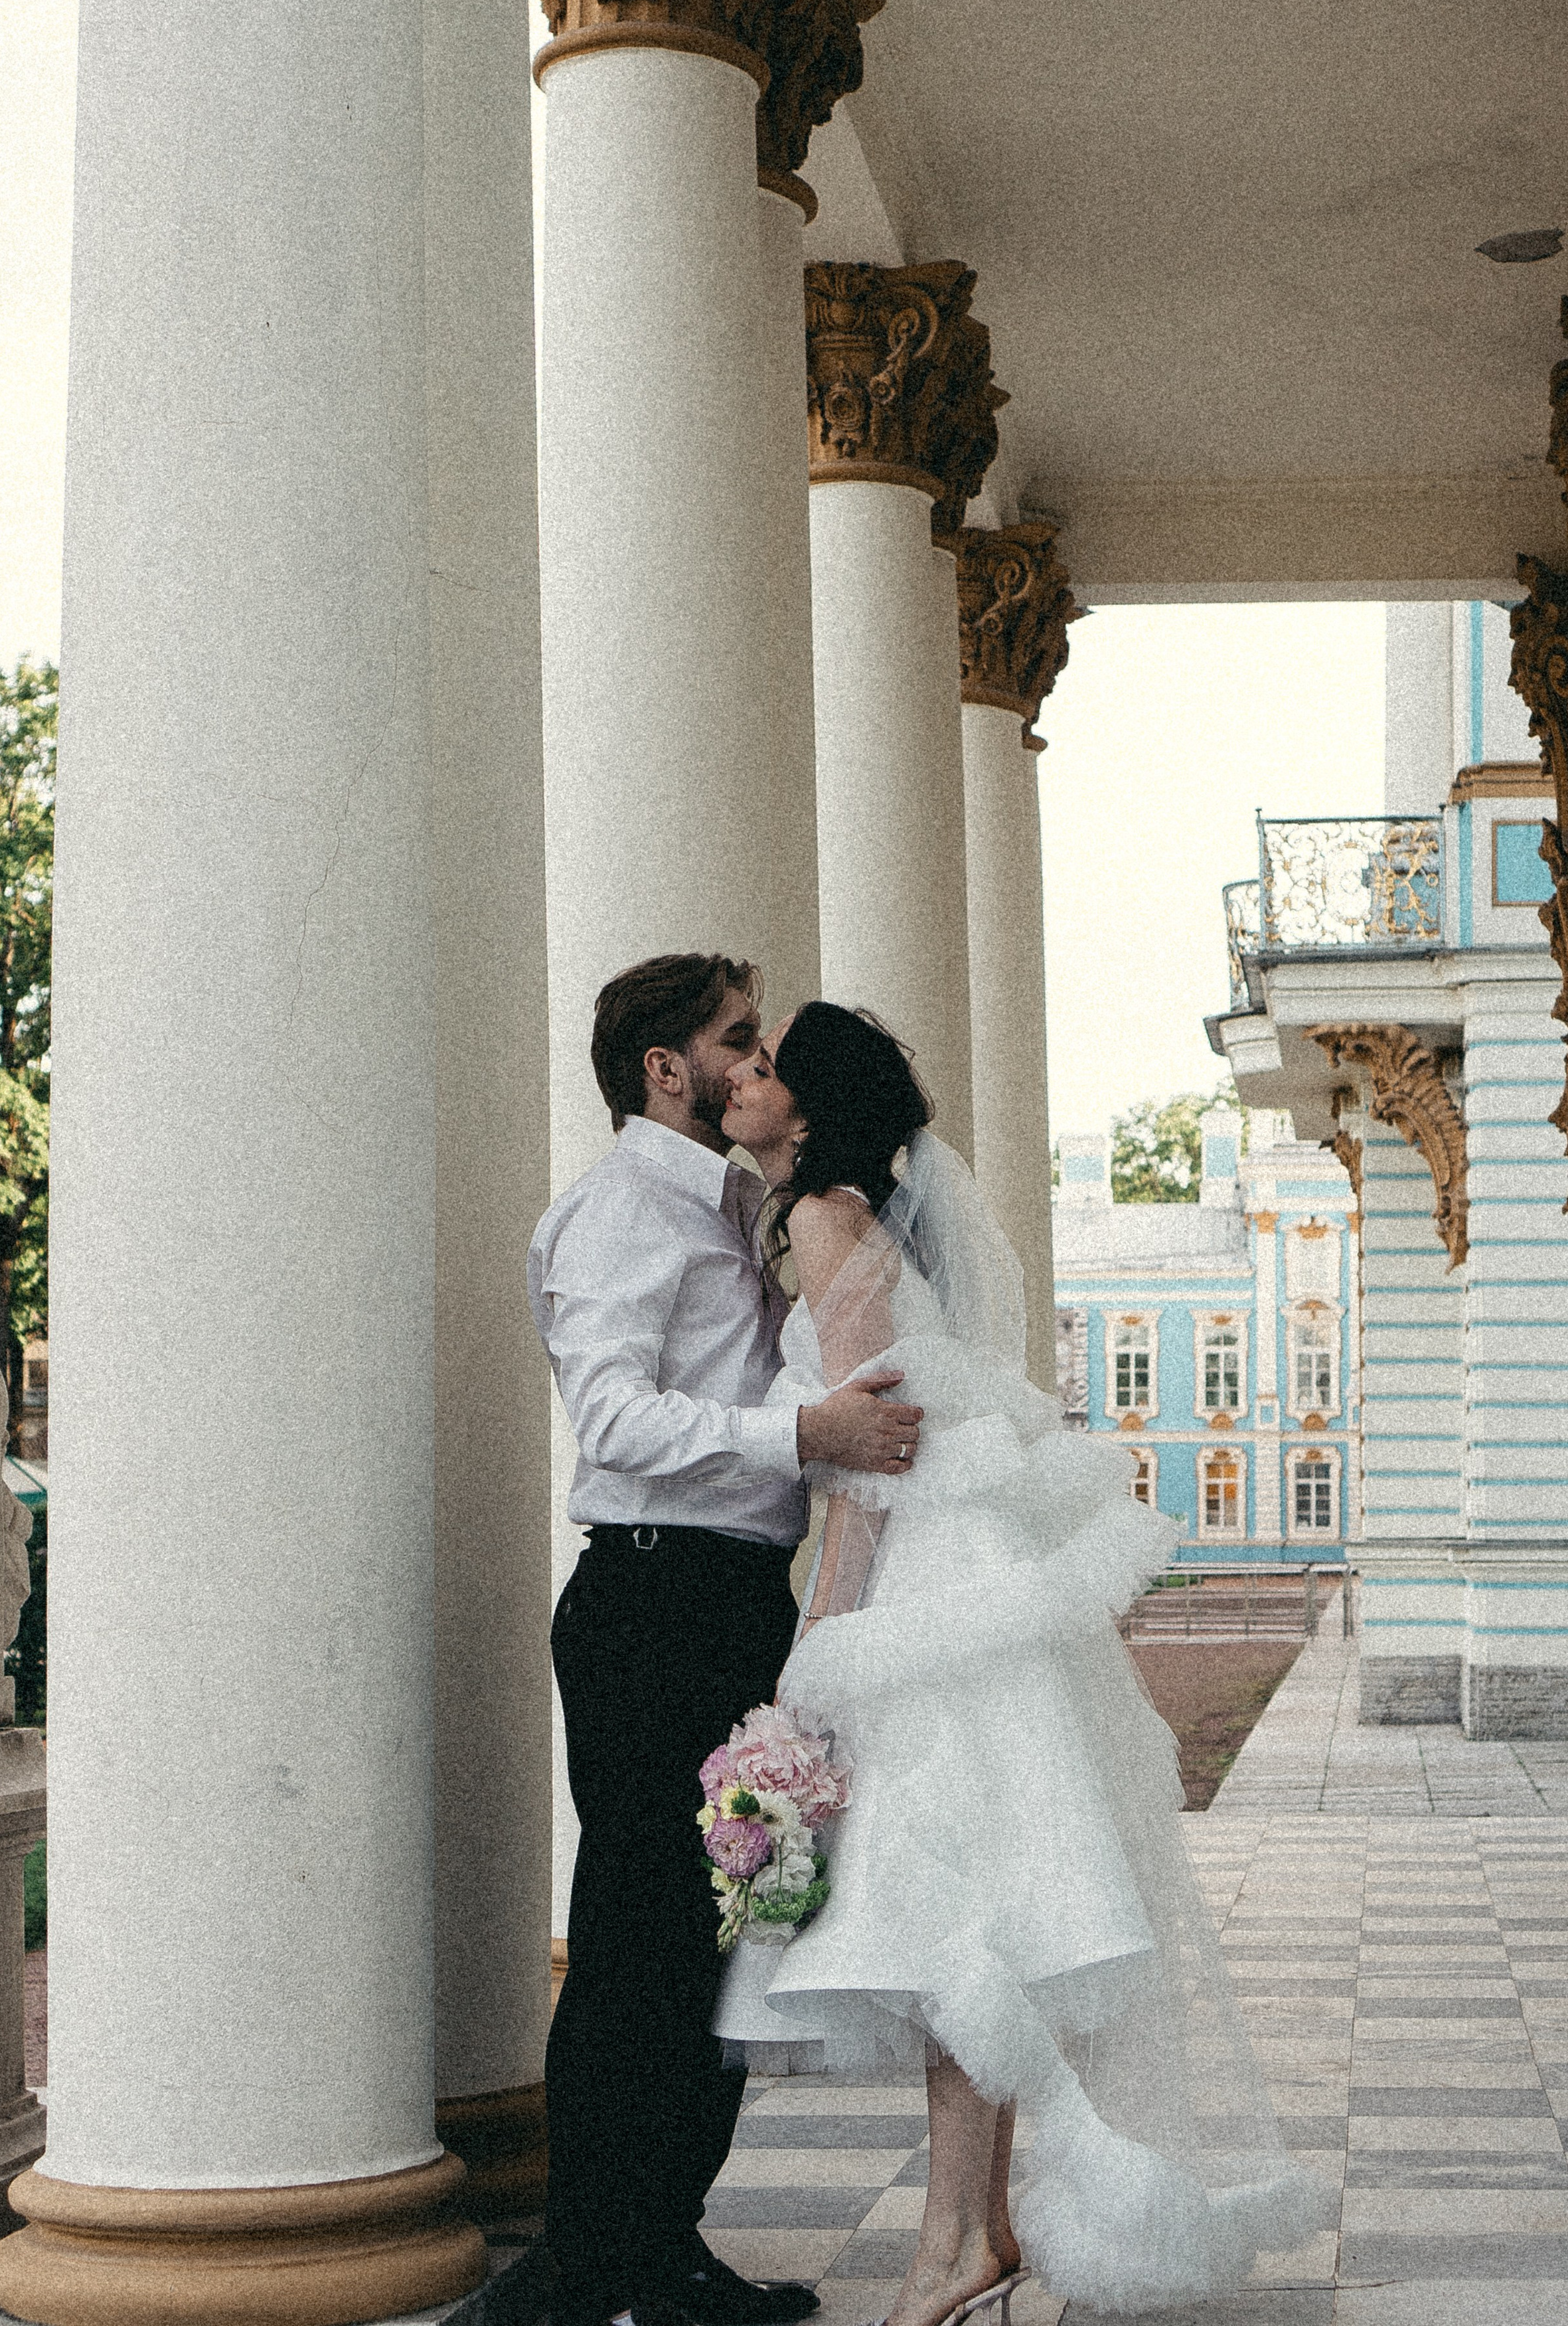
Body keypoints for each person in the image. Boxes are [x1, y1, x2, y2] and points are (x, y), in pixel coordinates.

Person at [712, 1002, 1319, 2323]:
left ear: (808, 1110)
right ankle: (971, 2232)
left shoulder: (823, 1222)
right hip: (967, 1576)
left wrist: (818, 1648)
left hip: (932, 1589)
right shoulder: (854, 1221)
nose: (738, 1084)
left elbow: (867, 1465)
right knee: (970, 1909)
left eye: (762, 1072)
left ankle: (951, 2246)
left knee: (950, 1918)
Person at [529, 955, 925, 2326]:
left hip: (730, 1602)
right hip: (648, 1606)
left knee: (717, 1940)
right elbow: (617, 1423)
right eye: (736, 1040)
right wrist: (801, 1433)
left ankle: (663, 2249)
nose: (758, 1062)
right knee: (638, 1942)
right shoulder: (617, 1216)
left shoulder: (741, 1208)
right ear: (663, 1070)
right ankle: (590, 2270)